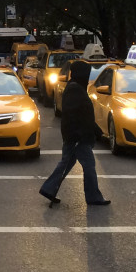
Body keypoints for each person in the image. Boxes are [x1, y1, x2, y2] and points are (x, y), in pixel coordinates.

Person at [39, 59, 110, 206]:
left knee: (66, 163)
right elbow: (73, 115)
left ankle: (49, 188)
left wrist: (95, 130)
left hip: (77, 136)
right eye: (86, 73)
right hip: (78, 137)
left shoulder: (75, 88)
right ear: (81, 74)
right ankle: (93, 197)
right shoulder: (75, 89)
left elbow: (82, 115)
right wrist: (78, 134)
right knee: (88, 166)